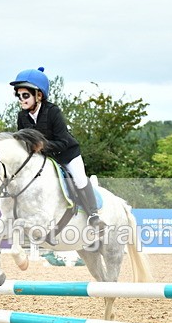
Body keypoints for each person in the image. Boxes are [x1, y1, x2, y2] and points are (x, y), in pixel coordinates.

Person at [9, 67, 104, 228]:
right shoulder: (22, 116)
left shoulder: (53, 112)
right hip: (45, 159)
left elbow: (63, 142)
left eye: (25, 95)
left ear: (38, 95)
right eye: (18, 95)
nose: (21, 99)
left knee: (80, 179)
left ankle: (94, 216)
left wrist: (42, 146)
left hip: (67, 154)